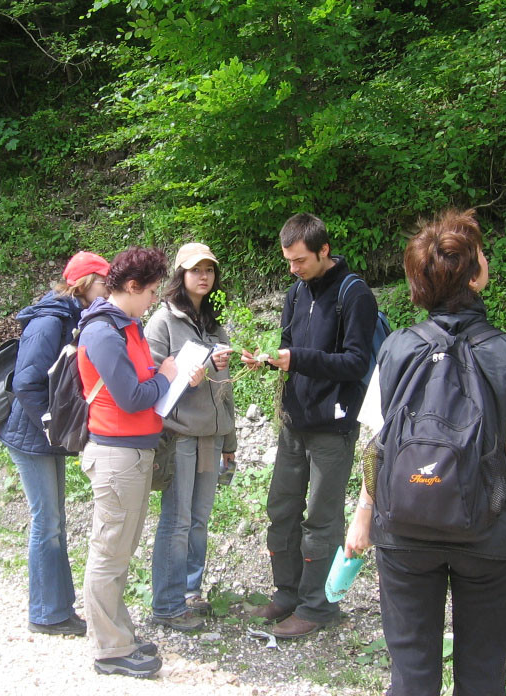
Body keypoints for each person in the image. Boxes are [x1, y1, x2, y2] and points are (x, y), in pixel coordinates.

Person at [344, 208, 506, 696]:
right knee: (483, 673)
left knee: (411, 674)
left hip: (403, 528)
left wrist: (362, 518)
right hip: (487, 533)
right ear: (474, 276)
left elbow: (378, 447)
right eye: (481, 255)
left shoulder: (396, 349)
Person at [241, 213, 380, 638]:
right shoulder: (295, 292)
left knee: (322, 519)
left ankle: (317, 607)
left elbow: (356, 362)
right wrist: (268, 360)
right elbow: (289, 348)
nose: (293, 269)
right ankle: (288, 594)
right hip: (294, 421)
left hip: (332, 426)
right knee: (281, 509)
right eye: (288, 261)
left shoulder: (354, 294)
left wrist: (297, 359)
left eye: (300, 260)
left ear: (324, 250)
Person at [77, 246, 202, 678]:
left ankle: (120, 636)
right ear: (131, 287)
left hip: (132, 453)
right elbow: (131, 398)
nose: (153, 300)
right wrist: (166, 375)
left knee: (121, 548)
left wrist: (173, 377)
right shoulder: (102, 332)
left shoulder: (125, 327)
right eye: (150, 292)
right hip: (116, 455)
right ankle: (110, 649)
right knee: (109, 552)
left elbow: (142, 383)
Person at [0, 251, 111, 637]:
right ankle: (46, 613)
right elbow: (26, 382)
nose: (108, 289)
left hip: (45, 435)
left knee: (54, 521)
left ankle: (58, 608)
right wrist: (50, 424)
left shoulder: (73, 315)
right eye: (104, 282)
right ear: (83, 284)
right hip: (30, 436)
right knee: (46, 522)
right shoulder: (50, 320)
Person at [145, 243, 236, 632]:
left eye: (209, 270)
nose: (204, 276)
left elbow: (226, 388)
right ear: (180, 275)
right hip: (179, 436)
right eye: (196, 269)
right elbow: (149, 381)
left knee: (199, 519)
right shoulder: (162, 322)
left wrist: (230, 442)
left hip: (211, 437)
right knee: (178, 520)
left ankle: (190, 591)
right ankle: (167, 603)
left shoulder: (214, 324)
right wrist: (189, 376)